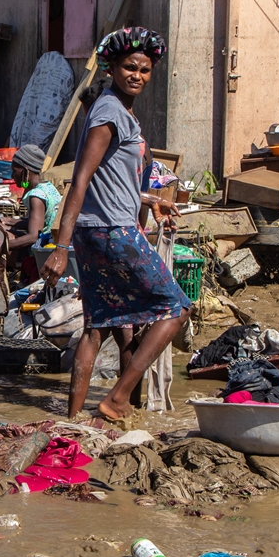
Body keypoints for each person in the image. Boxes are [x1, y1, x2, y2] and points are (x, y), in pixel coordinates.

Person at [41, 27, 190, 422]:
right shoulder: (109, 111)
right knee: (174, 309)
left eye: (144, 70)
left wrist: (153, 199)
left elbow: (114, 181)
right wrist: (59, 247)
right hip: (112, 231)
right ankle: (118, 399)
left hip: (99, 229)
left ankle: (74, 421)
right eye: (129, 67)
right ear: (111, 68)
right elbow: (81, 179)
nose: (137, 75)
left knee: (98, 325)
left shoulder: (119, 111)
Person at [4, 144, 62, 279]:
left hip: (42, 250)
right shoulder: (48, 186)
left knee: (3, 237)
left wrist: (1, 247)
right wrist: (9, 222)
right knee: (4, 228)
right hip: (49, 240)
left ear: (25, 171)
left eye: (14, 171)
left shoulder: (36, 195)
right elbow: (40, 223)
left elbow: (33, 236)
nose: (13, 176)